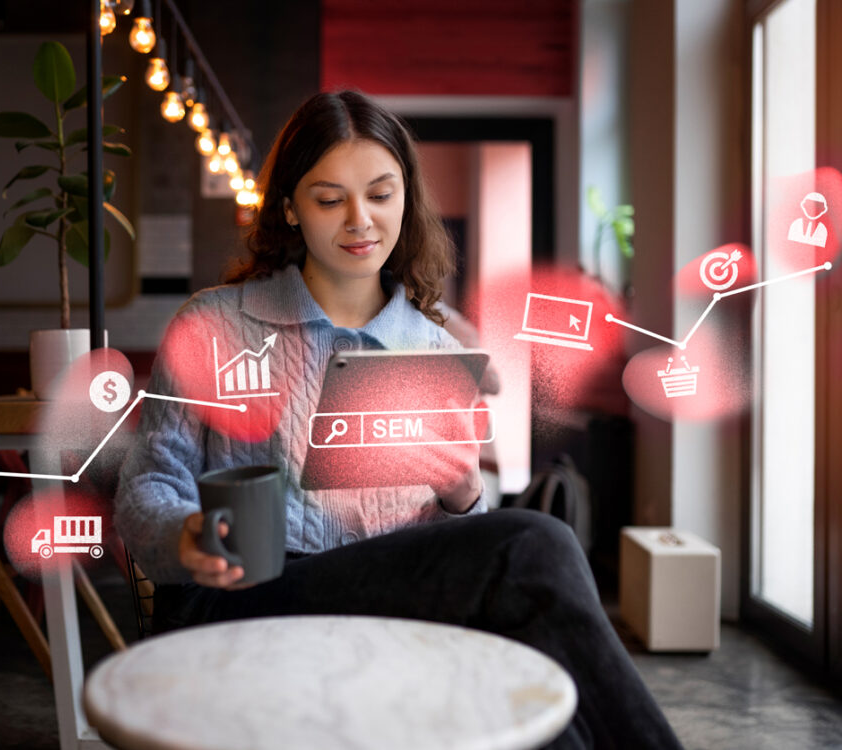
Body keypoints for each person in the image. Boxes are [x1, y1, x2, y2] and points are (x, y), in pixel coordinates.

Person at [114, 90, 683, 750]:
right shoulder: (213, 325)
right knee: (537, 546)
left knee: (553, 729)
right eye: (330, 199)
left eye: (380, 194)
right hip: (236, 599)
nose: (361, 220)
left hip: (378, 605)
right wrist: (187, 536)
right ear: (291, 208)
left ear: (406, 199)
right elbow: (145, 487)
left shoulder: (437, 350)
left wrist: (464, 498)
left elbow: (446, 545)